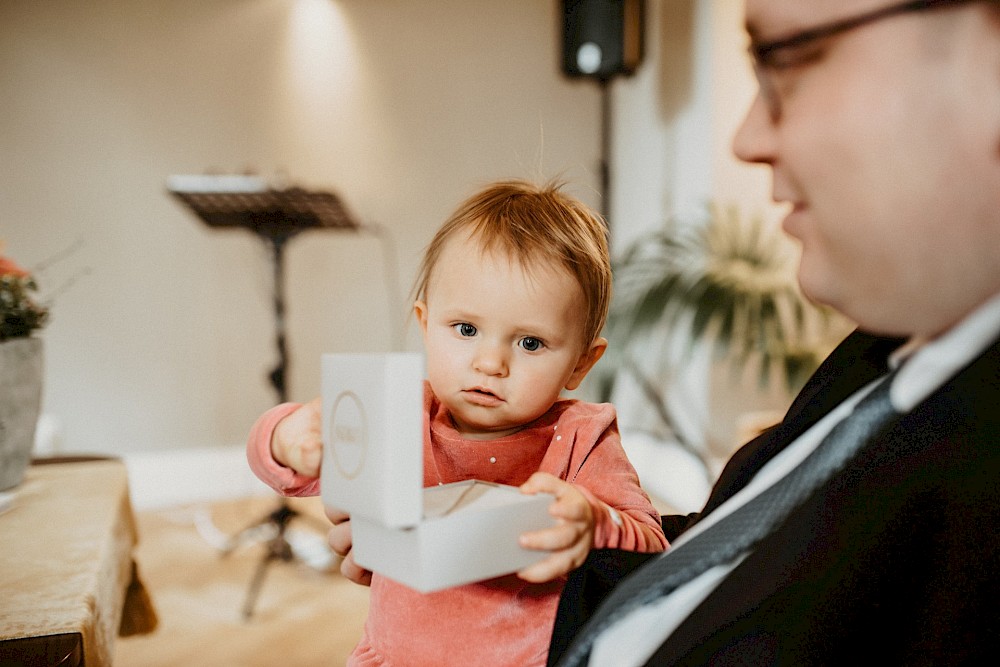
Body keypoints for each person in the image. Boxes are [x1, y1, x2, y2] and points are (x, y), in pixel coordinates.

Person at [547, 0, 1000, 665]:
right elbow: (713, 571)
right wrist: (494, 560)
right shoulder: (881, 352)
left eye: (785, 59)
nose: (746, 137)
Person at [246, 180, 668, 666]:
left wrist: (594, 522)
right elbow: (285, 466)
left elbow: (650, 542)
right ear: (426, 325)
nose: (490, 363)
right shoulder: (400, 414)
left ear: (581, 363)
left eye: (530, 343)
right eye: (466, 330)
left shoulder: (582, 437)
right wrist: (286, 437)